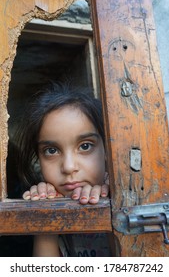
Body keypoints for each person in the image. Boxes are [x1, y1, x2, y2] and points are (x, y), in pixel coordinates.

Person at [16, 82, 111, 256]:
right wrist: (45, 212)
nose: (68, 167)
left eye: (85, 146)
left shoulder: (125, 194)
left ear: (107, 149)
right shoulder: (46, 198)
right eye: (51, 151)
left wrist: (116, 196)